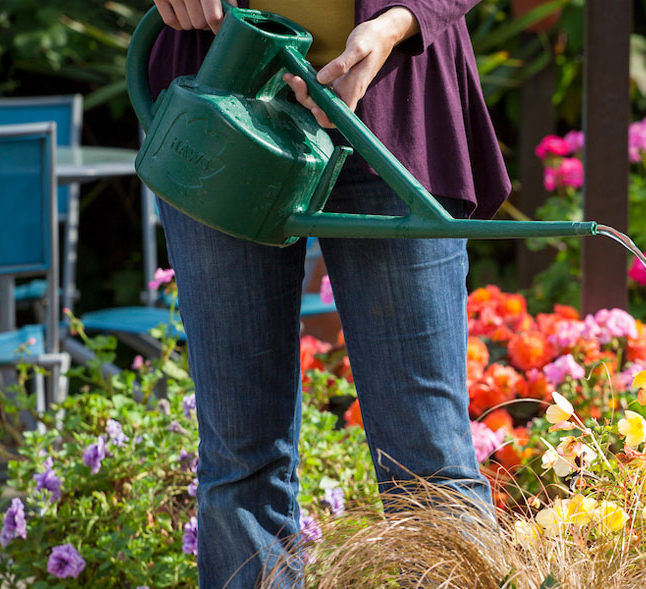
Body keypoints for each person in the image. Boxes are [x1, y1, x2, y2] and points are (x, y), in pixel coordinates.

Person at [145, 0, 511, 585]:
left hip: (392, 107)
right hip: (221, 107)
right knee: (240, 459)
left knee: (429, 462)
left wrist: (395, 24)